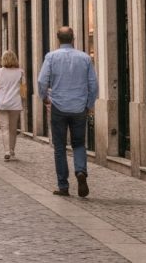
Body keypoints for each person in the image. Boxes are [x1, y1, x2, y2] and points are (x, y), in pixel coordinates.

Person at [38, 26, 98, 197]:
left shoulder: (51, 57)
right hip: (79, 107)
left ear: (58, 39)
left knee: (59, 147)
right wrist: (89, 104)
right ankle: (80, 171)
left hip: (58, 106)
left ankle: (63, 186)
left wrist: (45, 98)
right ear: (73, 39)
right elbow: (93, 85)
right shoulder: (85, 58)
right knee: (79, 144)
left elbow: (42, 81)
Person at [0, 50, 25, 161]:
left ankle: (6, 151)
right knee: (13, 128)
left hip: (2, 103)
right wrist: (23, 102)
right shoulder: (20, 72)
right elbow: (23, 90)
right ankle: (12, 150)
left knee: (4, 128)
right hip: (15, 103)